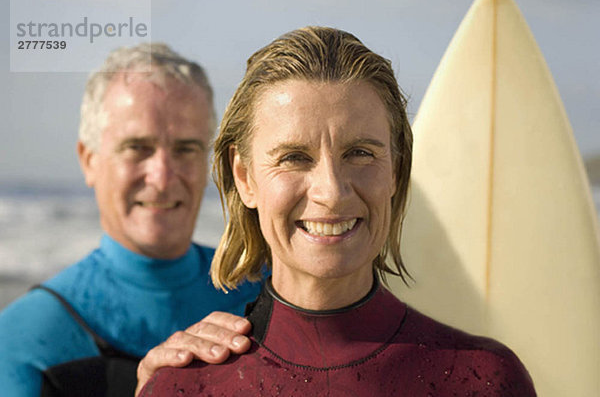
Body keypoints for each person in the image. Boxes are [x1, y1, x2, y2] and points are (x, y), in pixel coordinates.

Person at [138, 27, 537, 396]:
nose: (331, 191)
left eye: (360, 153)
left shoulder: (486, 380)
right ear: (245, 177)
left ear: (396, 171)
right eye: (294, 157)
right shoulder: (184, 386)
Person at [0, 43, 263, 396]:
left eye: (186, 148)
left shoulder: (271, 295)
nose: (163, 177)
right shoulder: (22, 339)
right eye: (137, 148)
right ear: (89, 160)